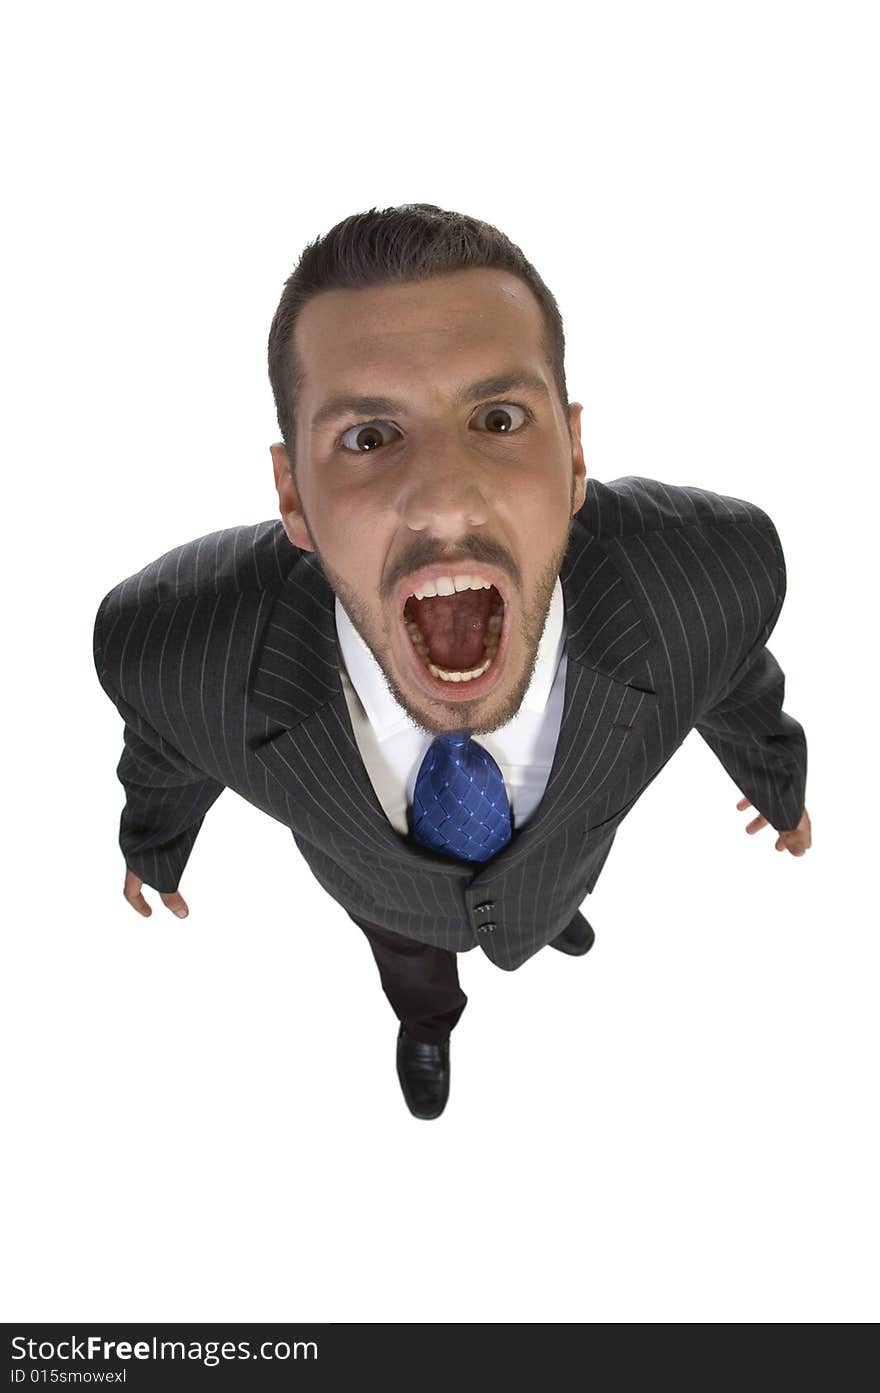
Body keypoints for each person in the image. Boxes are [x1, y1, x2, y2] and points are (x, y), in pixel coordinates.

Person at [92, 203, 811, 1121]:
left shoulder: (709, 580)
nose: (444, 503)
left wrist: (779, 784)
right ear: (293, 497)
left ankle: (545, 917)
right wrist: (153, 846)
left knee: (548, 896)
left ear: (576, 453)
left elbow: (736, 674)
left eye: (499, 417)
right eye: (367, 438)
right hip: (384, 896)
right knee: (409, 957)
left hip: (568, 862)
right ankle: (427, 1019)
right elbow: (169, 741)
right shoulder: (177, 648)